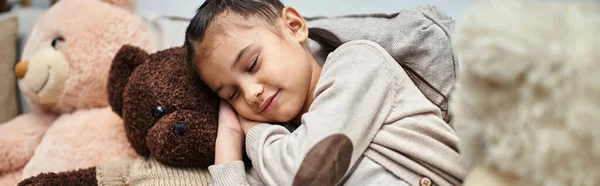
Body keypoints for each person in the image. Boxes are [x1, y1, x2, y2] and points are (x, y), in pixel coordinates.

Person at [184, 0, 467, 185]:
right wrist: (229, 149)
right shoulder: (276, 151)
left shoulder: (358, 64)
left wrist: (252, 132)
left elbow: (306, 174)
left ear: (294, 27)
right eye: (232, 94)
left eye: (252, 64)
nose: (250, 93)